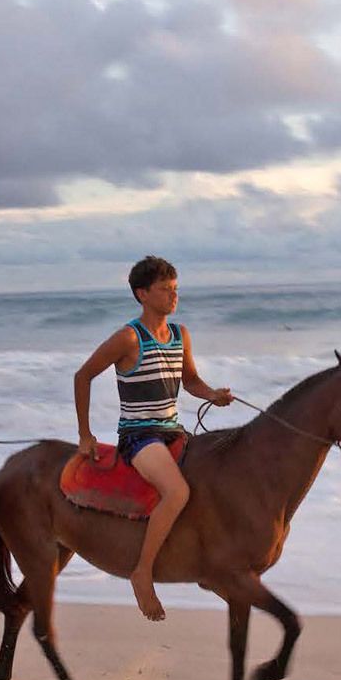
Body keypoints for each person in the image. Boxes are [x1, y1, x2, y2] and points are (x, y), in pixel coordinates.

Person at [74, 256, 232, 621]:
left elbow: (190, 380)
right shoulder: (128, 338)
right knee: (176, 493)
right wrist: (85, 434)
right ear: (142, 294)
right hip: (139, 437)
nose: (173, 296)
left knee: (214, 480)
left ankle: (207, 569)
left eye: (175, 289)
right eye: (165, 290)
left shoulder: (180, 335)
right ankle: (142, 572)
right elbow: (82, 376)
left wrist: (212, 395)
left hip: (173, 431)